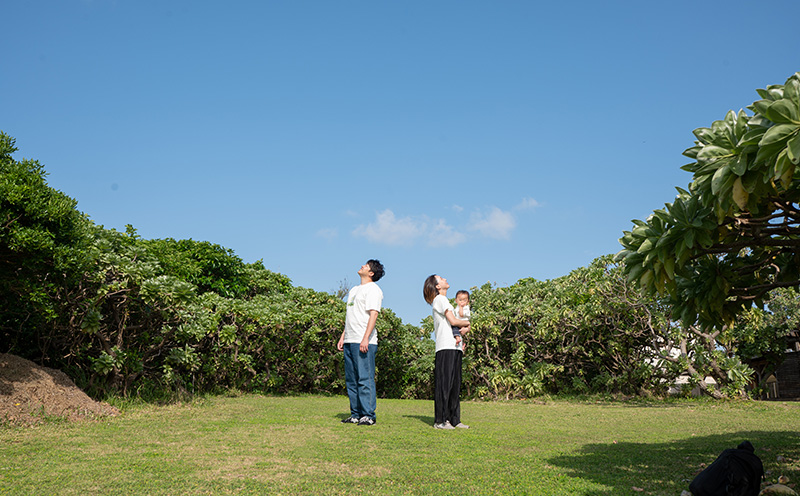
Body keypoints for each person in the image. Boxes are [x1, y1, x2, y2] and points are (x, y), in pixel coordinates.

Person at [337, 259, 385, 426]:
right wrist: (344, 335)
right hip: (350, 339)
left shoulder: (373, 289)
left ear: (371, 273)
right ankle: (355, 414)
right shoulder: (354, 290)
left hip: (364, 341)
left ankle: (368, 415)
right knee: (351, 379)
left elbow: (373, 315)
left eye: (366, 265)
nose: (362, 266)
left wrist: (365, 338)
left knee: (365, 378)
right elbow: (351, 316)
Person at [423, 274, 470, 430]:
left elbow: (457, 325)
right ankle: (441, 420)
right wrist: (467, 323)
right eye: (441, 278)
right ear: (437, 286)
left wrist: (464, 328)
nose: (445, 279)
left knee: (455, 385)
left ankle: (454, 419)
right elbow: (454, 321)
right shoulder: (440, 300)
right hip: (445, 347)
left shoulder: (446, 301)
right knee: (444, 385)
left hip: (455, 347)